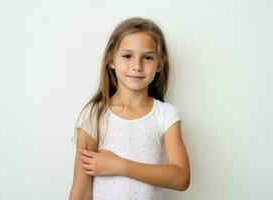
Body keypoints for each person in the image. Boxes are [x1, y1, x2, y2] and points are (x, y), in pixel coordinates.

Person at [69, 16, 190, 200]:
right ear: (111, 60)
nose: (137, 66)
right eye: (127, 56)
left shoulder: (165, 115)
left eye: (148, 58)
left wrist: (119, 165)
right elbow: (81, 192)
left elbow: (181, 178)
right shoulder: (93, 115)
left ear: (160, 64)